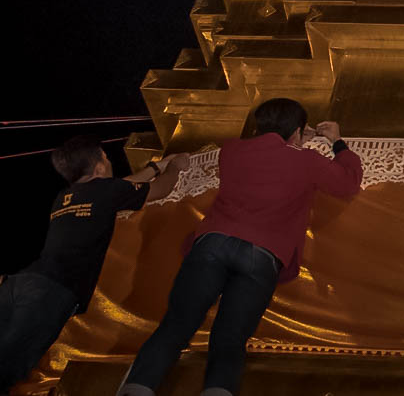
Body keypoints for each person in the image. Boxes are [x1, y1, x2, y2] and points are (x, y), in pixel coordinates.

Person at [119, 98, 363, 396]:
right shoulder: (307, 161)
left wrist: (294, 137)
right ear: (298, 132)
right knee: (230, 337)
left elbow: (267, 152)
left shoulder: (231, 151)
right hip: (261, 255)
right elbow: (348, 184)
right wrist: (336, 141)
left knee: (177, 325)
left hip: (212, 244)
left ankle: (136, 389)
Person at [0, 135, 189, 391]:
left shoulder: (65, 196)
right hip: (50, 291)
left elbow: (119, 186)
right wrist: (176, 166)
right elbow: (161, 190)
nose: (109, 162)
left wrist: (156, 167)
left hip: (18, 283)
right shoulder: (105, 192)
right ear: (100, 167)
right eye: (106, 158)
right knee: (9, 364)